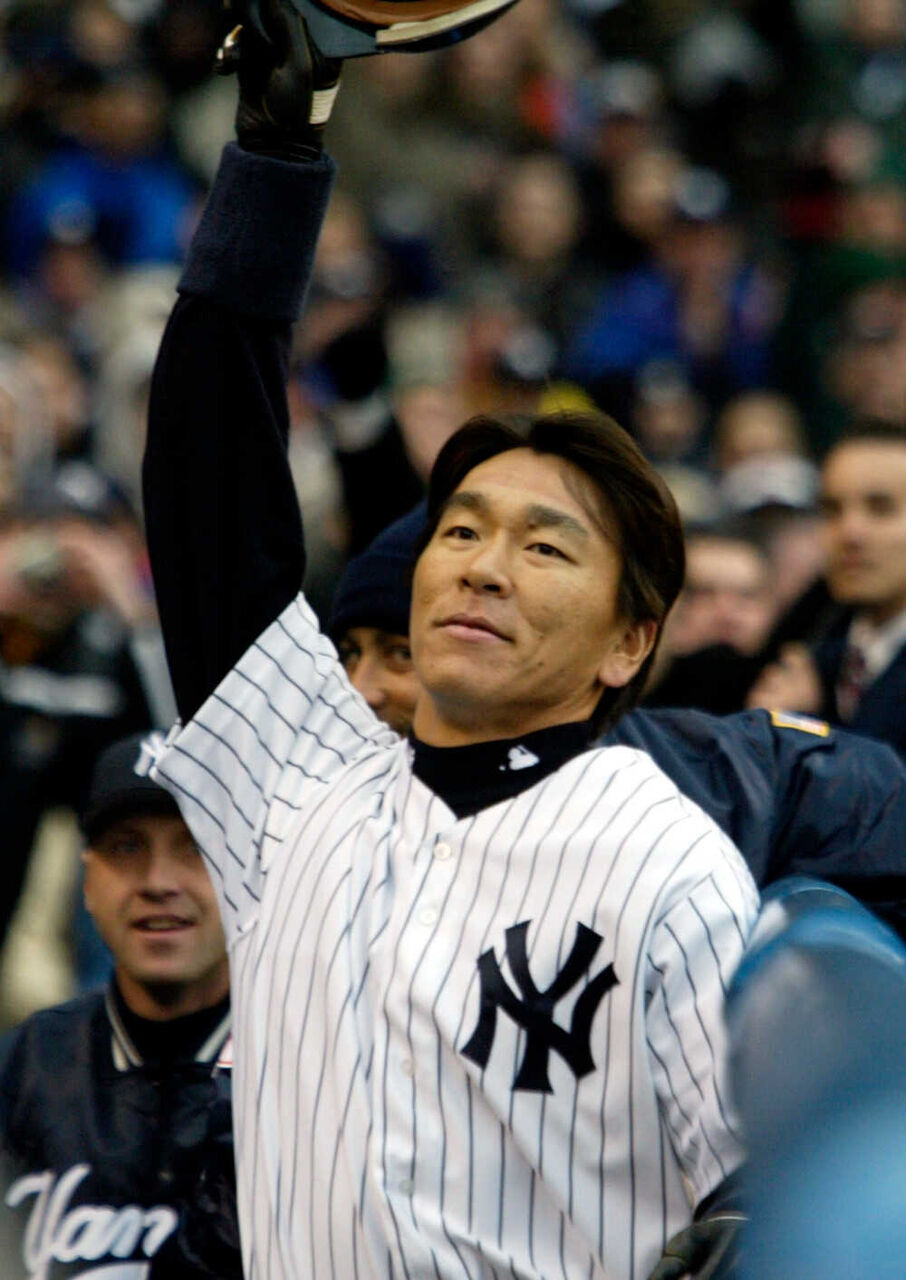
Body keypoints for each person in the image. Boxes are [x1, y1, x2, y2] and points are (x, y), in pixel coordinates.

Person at [141, 6, 759, 1279]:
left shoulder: (668, 861)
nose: (482, 562)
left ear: (629, 641)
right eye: (462, 529)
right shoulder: (297, 780)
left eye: (545, 547)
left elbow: (761, 1204)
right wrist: (276, 150)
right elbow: (210, 474)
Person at [327, 503, 906, 939]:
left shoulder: (705, 775)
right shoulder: (316, 807)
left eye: (400, 654)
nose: (362, 689)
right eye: (348, 654)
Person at [0, 733, 241, 1280]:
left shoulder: (307, 1078)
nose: (158, 882)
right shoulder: (22, 1071)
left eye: (196, 846)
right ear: (87, 880)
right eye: (127, 848)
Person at [748, 419, 906, 754]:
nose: (849, 532)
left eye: (881, 509)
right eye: (832, 510)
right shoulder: (809, 648)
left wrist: (807, 732)